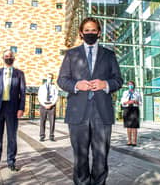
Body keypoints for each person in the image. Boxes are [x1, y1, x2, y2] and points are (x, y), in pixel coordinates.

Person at [57, 17, 123, 185]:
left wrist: (105, 84)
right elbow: (62, 80)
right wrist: (77, 85)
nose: (90, 33)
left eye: (93, 30)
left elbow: (118, 80)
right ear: (81, 33)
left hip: (102, 113)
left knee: (101, 157)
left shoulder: (109, 55)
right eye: (87, 30)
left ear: (99, 32)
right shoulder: (71, 54)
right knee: (80, 157)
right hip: (78, 113)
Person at [0, 49, 26, 173]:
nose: (9, 57)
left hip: (13, 109)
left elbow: (22, 93)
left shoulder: (19, 74)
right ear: (3, 58)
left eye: (11, 56)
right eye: (6, 56)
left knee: (12, 137)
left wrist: (21, 108)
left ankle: (11, 162)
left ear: (14, 58)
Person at [38, 73, 59, 142]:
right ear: (46, 78)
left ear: (52, 79)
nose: (49, 79)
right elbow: (39, 97)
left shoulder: (54, 87)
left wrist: (52, 104)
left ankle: (51, 136)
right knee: (42, 121)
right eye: (48, 77)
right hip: (43, 105)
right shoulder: (42, 87)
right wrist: (44, 105)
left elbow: (56, 96)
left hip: (51, 106)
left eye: (51, 77)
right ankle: (42, 136)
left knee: (52, 122)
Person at [120, 81, 142, 146]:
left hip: (135, 110)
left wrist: (135, 101)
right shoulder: (125, 93)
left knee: (134, 126)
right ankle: (129, 141)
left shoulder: (137, 93)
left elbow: (140, 103)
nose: (130, 85)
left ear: (134, 85)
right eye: (129, 84)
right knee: (128, 126)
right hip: (127, 109)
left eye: (132, 84)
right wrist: (128, 102)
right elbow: (122, 102)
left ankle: (134, 141)